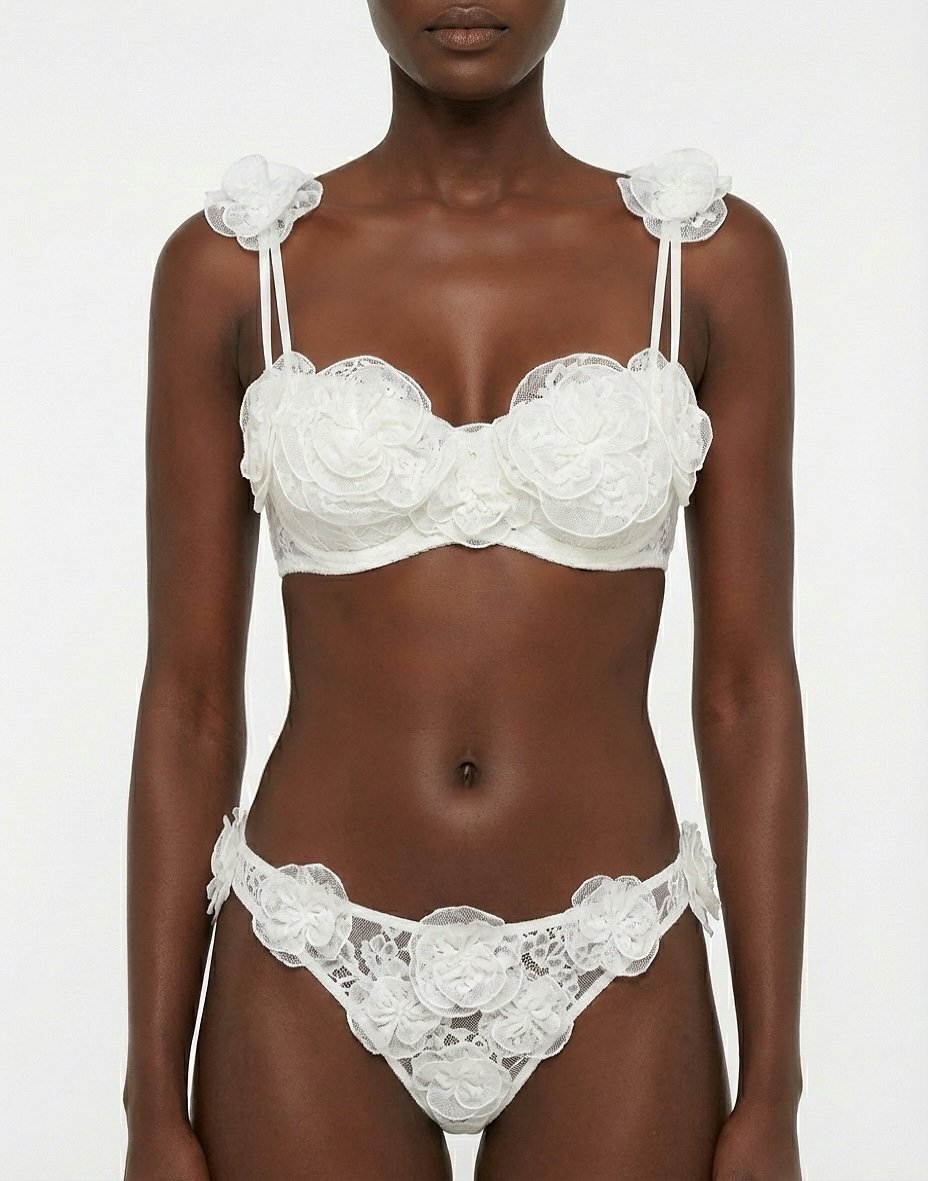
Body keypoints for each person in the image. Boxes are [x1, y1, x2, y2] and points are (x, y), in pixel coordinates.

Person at [122, 2, 807, 1178]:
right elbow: (189, 701)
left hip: (613, 952)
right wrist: (150, 1097)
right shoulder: (232, 269)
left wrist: (775, 1084)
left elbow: (746, 688)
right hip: (308, 952)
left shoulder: (704, 259)